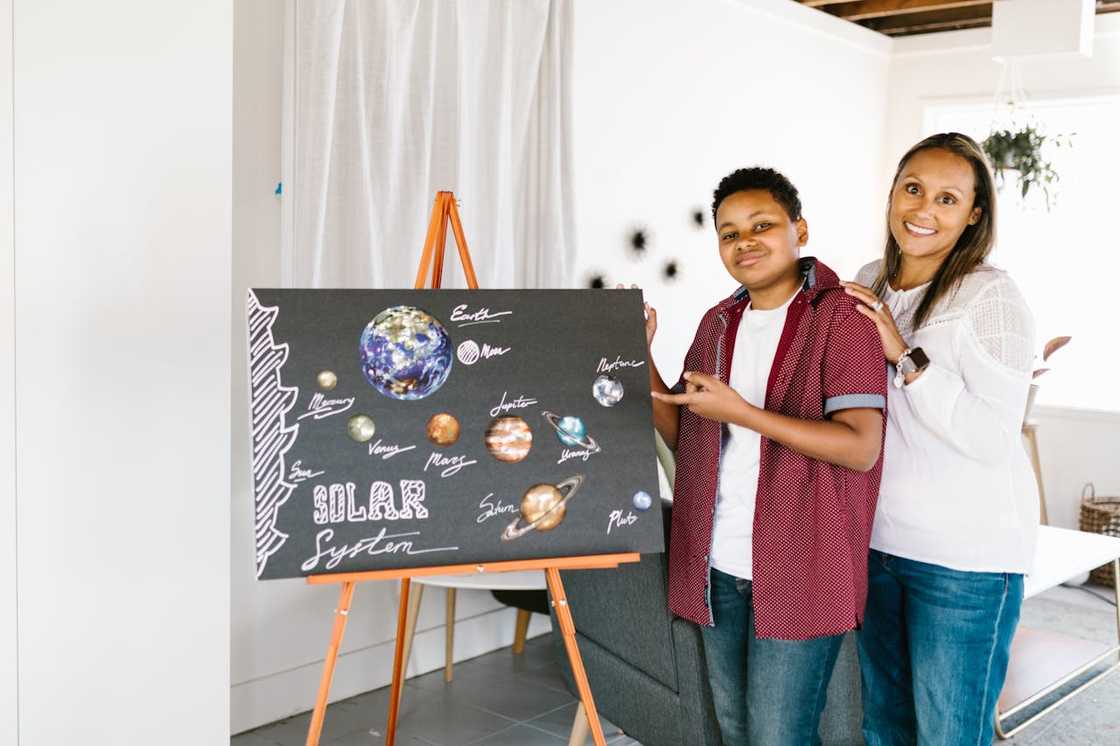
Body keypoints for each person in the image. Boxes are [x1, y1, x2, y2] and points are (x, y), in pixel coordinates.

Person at [645, 166, 887, 745]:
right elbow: (688, 435)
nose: (744, 241)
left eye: (762, 225)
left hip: (803, 566)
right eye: (728, 233)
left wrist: (745, 414)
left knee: (779, 737)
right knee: (732, 730)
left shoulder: (842, 317)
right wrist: (639, 354)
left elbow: (860, 447)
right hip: (718, 566)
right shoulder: (718, 323)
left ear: (799, 229)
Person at [842, 132, 1037, 745]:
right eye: (914, 188)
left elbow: (990, 435)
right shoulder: (869, 280)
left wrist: (902, 354)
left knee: (951, 733)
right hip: (877, 542)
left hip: (965, 561)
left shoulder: (990, 296)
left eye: (947, 199)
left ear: (974, 214)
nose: (923, 210)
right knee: (884, 728)